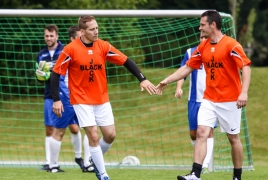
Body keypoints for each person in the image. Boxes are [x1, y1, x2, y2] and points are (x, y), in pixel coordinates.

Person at [50, 15, 157, 180]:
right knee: (92, 134)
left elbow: (126, 60)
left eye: (97, 28)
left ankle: (95, 157)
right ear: (83, 32)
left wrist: (142, 79)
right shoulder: (71, 49)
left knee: (110, 135)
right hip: (81, 99)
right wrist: (56, 99)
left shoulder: (103, 46)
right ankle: (103, 174)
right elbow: (56, 73)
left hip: (101, 99)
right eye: (92, 29)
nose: (96, 31)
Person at [156, 10, 251, 180]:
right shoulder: (203, 47)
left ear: (213, 25)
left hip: (230, 100)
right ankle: (195, 174)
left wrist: (243, 93)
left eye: (202, 25)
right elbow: (187, 67)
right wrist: (167, 80)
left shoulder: (231, 45)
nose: (200, 28)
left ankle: (237, 176)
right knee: (201, 133)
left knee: (233, 138)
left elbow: (246, 67)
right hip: (208, 99)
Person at [35, 24, 85, 172]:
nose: (49, 38)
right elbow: (40, 77)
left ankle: (80, 158)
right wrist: (40, 77)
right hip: (50, 96)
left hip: (68, 95)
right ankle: (49, 163)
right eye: (46, 36)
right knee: (50, 128)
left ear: (57, 36)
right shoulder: (41, 55)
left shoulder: (65, 50)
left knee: (75, 128)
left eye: (51, 35)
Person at [47, 26, 94, 173]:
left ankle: (86, 162)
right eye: (81, 36)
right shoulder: (67, 52)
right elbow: (55, 75)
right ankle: (52, 165)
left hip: (83, 96)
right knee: (59, 130)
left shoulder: (87, 51)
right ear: (73, 39)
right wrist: (58, 98)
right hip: (66, 96)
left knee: (89, 129)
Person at [175, 33, 216, 174]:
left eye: (206, 38)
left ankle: (203, 165)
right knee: (194, 133)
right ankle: (200, 158)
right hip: (193, 100)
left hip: (210, 99)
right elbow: (183, 72)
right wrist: (178, 87)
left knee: (207, 131)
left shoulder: (216, 52)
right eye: (201, 37)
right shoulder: (190, 52)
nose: (203, 40)